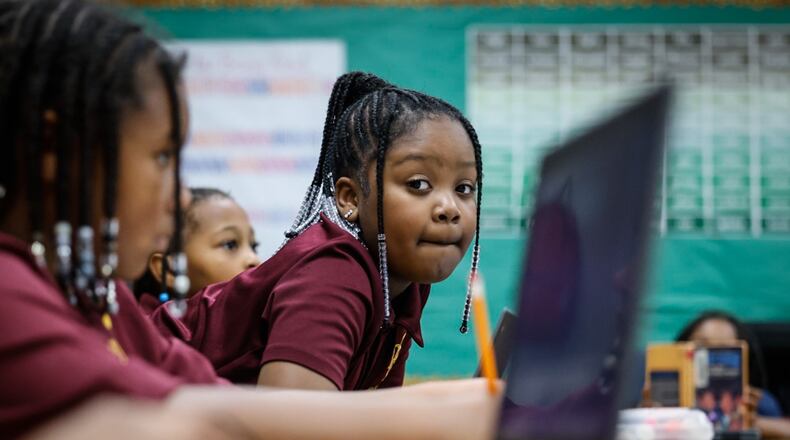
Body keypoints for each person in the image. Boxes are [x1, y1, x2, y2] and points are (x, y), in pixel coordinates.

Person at [0, 1, 500, 438]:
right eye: (160, 158)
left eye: (465, 190)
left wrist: (446, 406)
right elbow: (201, 421)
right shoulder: (8, 294)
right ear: (57, 152)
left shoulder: (99, 302)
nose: (177, 199)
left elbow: (210, 398)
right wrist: (442, 414)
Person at [150, 71, 485, 391]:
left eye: (465, 188)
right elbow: (291, 424)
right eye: (419, 184)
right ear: (350, 198)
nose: (450, 208)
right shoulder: (334, 272)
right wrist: (439, 408)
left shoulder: (404, 287)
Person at [134, 187, 260, 311]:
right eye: (230, 244)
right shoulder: (142, 329)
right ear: (169, 270)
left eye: (254, 246)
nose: (254, 260)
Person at [677, 310, 790, 438]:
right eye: (701, 346)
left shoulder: (759, 403)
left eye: (725, 351)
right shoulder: (657, 395)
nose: (713, 361)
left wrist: (751, 422)